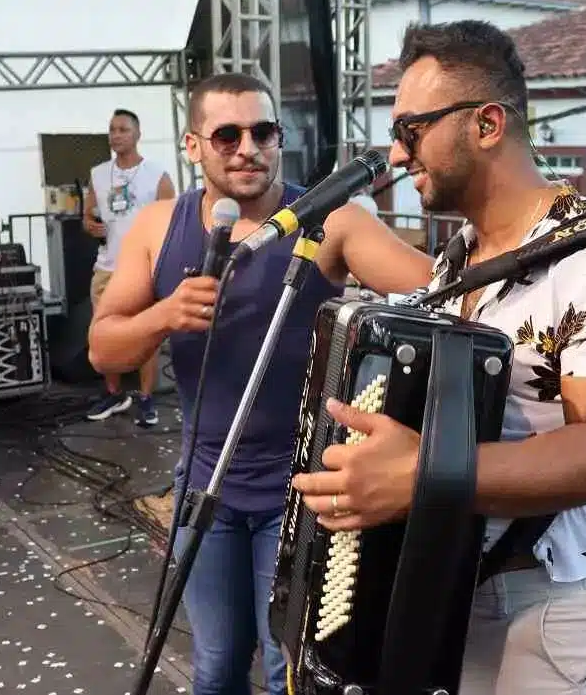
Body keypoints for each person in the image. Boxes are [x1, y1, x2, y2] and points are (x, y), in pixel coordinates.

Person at [292, 20, 586, 695]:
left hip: (555, 605)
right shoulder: (458, 258)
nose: (397, 153)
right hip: (460, 583)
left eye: (411, 129)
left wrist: (417, 475)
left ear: (487, 124)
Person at [86, 72, 433, 695]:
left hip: (300, 491)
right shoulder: (158, 226)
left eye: (262, 131)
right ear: (194, 146)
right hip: (204, 488)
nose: (247, 147)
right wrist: (165, 315)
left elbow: (440, 294)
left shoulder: (332, 220)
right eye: (226, 135)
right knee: (217, 665)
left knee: (288, 671)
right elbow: (102, 349)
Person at [83, 108, 175, 427]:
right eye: (112, 129)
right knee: (104, 333)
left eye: (123, 129)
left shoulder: (157, 174)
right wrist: (90, 225)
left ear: (137, 134)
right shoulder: (98, 173)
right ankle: (114, 393)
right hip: (108, 267)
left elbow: (170, 222)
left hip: (143, 268)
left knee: (144, 334)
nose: (116, 135)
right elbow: (88, 215)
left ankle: (146, 398)